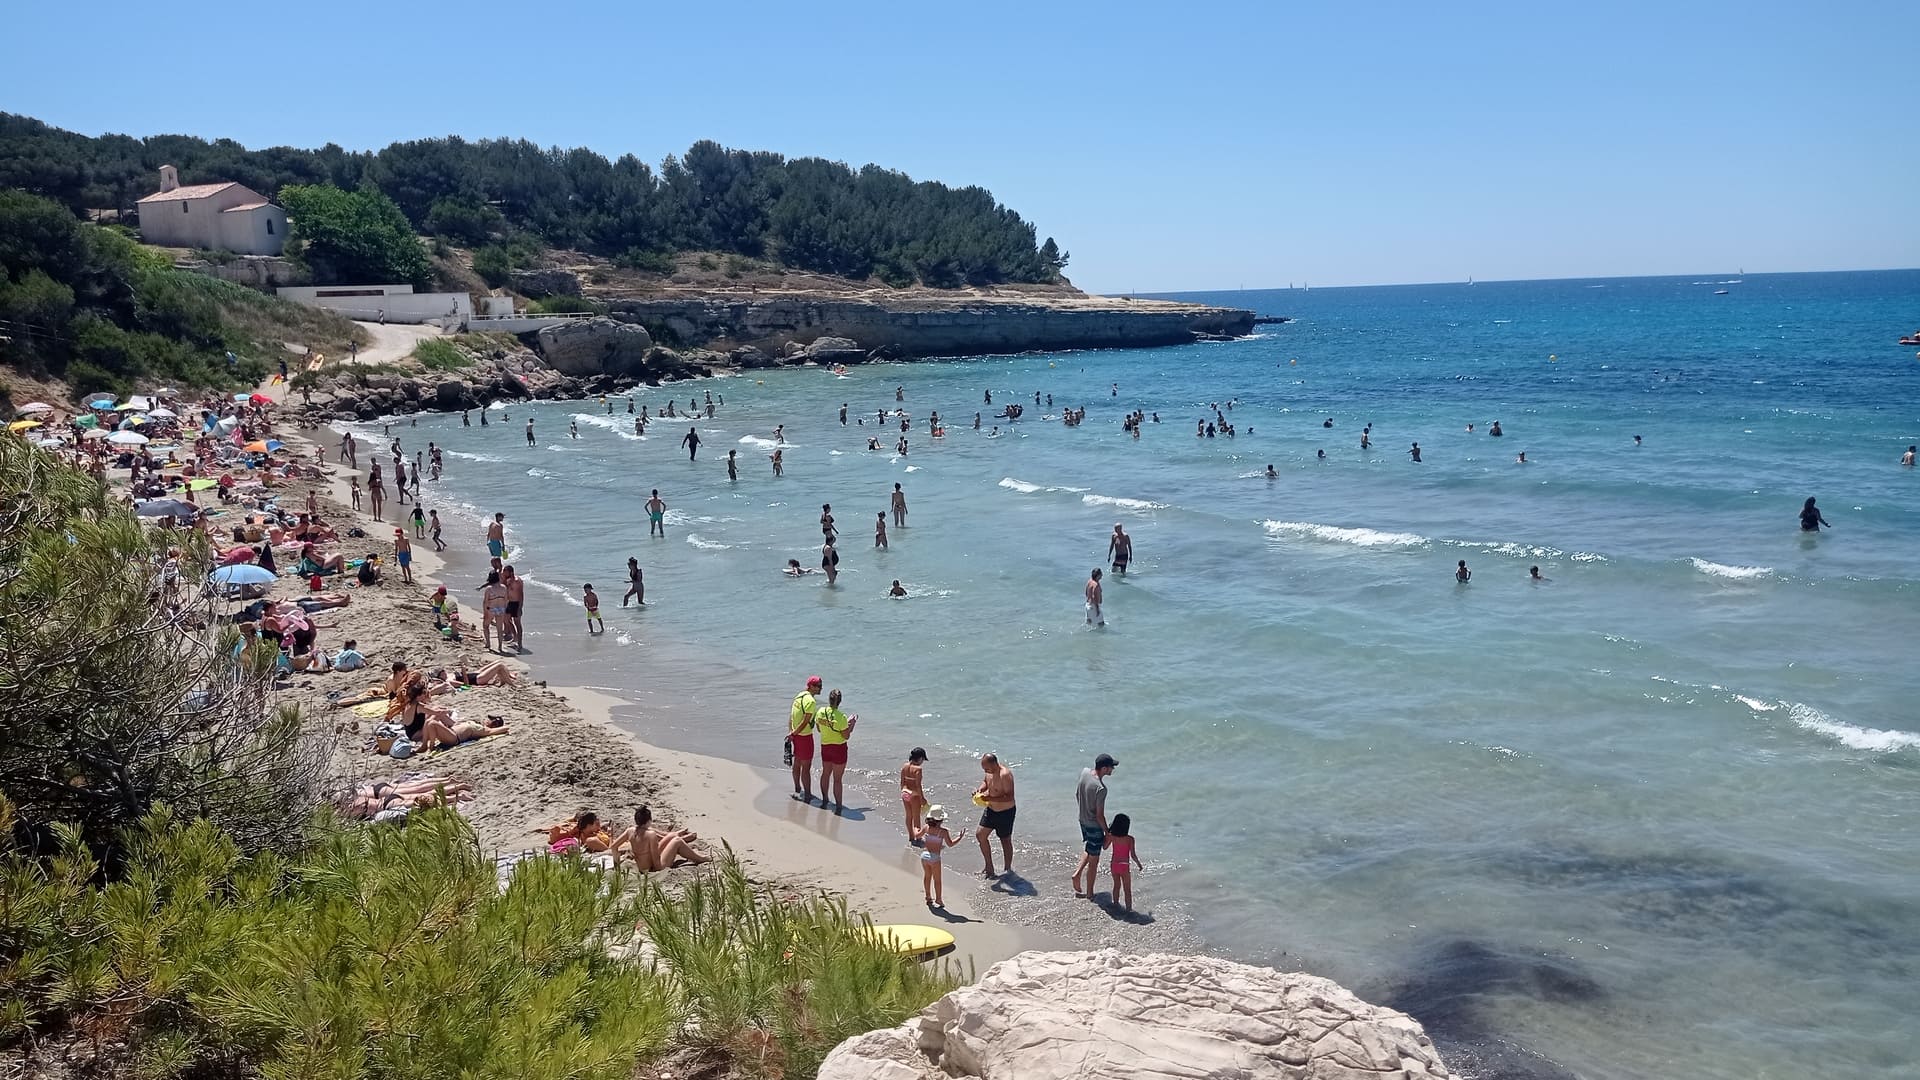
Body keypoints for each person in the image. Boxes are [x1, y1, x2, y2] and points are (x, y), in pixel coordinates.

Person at [1072, 753, 1117, 898]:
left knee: (1090, 848)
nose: (1112, 770)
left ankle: (1077, 874)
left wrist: (1083, 810)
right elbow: (1099, 815)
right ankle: (1090, 893)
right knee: (1094, 861)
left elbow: (1076, 794)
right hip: (1093, 825)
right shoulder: (1101, 789)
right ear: (1104, 768)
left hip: (1082, 820)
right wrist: (1107, 831)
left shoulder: (1085, 772)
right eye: (1111, 767)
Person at [610, 805, 708, 871]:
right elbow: (656, 861)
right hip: (653, 866)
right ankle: (700, 859)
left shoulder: (630, 830)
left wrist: (616, 864)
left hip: (641, 864)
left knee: (671, 836)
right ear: (649, 820)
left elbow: (614, 847)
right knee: (677, 841)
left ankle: (688, 848)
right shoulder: (650, 835)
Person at [974, 752, 1016, 878]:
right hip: (991, 810)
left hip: (1005, 812)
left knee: (1005, 840)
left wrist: (989, 798)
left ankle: (1007, 870)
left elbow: (1009, 797)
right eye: (984, 769)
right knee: (980, 835)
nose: (985, 771)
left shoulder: (1005, 775)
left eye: (986, 768)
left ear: (994, 764)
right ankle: (989, 867)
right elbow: (985, 782)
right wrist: (980, 790)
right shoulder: (989, 772)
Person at [816, 688, 856, 814]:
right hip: (839, 749)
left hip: (825, 746)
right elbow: (846, 736)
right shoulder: (842, 717)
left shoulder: (821, 711)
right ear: (840, 701)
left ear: (829, 699)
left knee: (825, 773)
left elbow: (818, 729)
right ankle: (838, 806)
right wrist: (852, 723)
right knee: (837, 779)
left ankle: (824, 800)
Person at [788, 677, 821, 803]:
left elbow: (791, 716)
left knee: (797, 763)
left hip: (796, 736)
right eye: (818, 685)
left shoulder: (799, 696)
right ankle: (807, 794)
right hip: (805, 737)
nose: (820, 688)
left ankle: (797, 789)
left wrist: (791, 732)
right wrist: (796, 732)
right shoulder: (811, 701)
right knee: (806, 767)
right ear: (811, 686)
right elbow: (805, 721)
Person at [1106, 813, 1145, 912]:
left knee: (1116, 886)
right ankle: (1128, 910)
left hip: (1114, 864)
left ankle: (1115, 905)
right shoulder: (1130, 839)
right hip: (1124, 866)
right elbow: (1133, 855)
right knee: (1127, 890)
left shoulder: (1112, 837)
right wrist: (1139, 864)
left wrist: (1107, 833)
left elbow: (1104, 847)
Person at [920, 806, 957, 908]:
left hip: (924, 855)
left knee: (927, 877)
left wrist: (914, 829)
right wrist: (960, 837)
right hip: (935, 858)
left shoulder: (926, 827)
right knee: (937, 880)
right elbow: (950, 844)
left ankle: (928, 897)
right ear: (941, 820)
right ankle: (938, 899)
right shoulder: (943, 831)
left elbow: (918, 835)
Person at [900, 747, 928, 845]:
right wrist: (922, 798)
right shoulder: (918, 769)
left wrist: (904, 792)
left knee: (908, 816)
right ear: (920, 758)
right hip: (914, 795)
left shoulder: (905, 766)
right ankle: (918, 837)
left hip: (905, 793)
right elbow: (918, 786)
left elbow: (902, 783)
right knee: (916, 818)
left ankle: (911, 836)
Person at [480, 571, 508, 653]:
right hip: (501, 609)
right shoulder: (504, 587)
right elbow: (506, 600)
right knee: (499, 628)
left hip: (491, 609)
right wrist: (504, 609)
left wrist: (485, 611)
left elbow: (485, 601)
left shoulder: (489, 589)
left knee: (485, 626)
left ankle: (488, 643)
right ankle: (500, 646)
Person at [502, 564, 526, 652]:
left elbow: (521, 595)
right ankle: (514, 636)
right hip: (509, 603)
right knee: (506, 620)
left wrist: (520, 607)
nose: (503, 572)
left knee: (517, 623)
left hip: (516, 604)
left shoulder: (517, 581)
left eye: (505, 571)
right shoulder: (508, 580)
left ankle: (520, 644)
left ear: (510, 572)